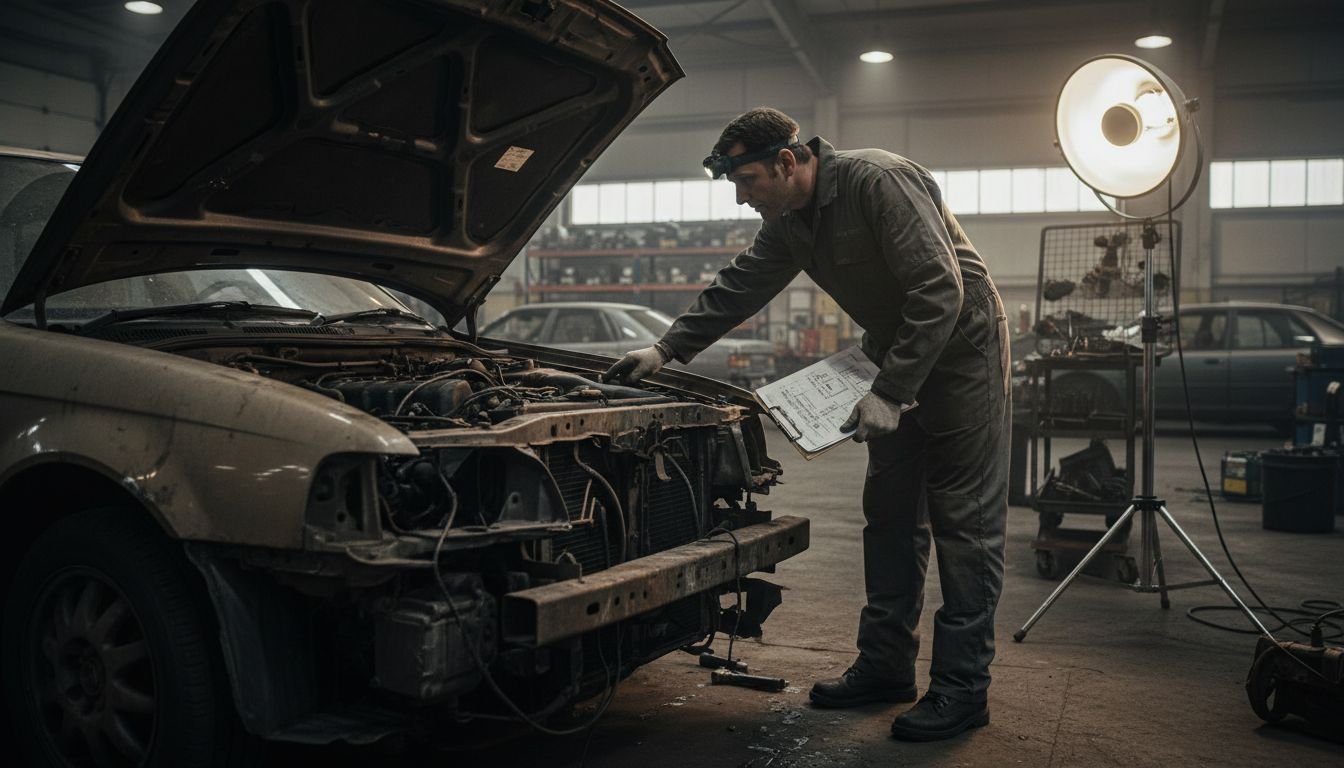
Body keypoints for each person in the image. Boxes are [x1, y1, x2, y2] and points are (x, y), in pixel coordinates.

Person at [604, 107, 1010, 742]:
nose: (742, 200)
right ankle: (885, 668)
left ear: (788, 162)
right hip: (896, 351)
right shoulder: (788, 219)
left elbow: (939, 289)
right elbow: (740, 285)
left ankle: (962, 689)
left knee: (966, 524)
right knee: (892, 517)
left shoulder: (877, 181)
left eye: (747, 183)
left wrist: (892, 391)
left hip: (963, 351)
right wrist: (666, 350)